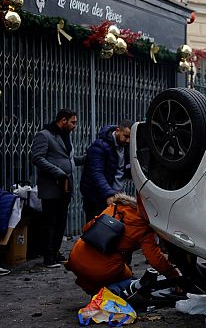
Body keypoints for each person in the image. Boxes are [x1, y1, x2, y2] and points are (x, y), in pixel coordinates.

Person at [65, 193, 180, 296]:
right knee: (129, 280)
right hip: (100, 270)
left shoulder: (116, 207)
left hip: (75, 256)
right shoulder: (145, 228)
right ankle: (110, 291)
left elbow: (87, 228)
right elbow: (156, 259)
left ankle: (93, 287)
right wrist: (174, 277)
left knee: (114, 260)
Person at [31, 108, 81, 268]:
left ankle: (56, 252)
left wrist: (84, 159)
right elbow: (37, 158)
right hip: (51, 186)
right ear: (63, 120)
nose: (75, 126)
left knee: (61, 221)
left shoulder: (66, 136)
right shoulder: (44, 135)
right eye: (73, 122)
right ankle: (48, 257)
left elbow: (67, 158)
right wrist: (58, 172)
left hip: (65, 187)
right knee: (50, 222)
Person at [79, 120, 132, 223]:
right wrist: (108, 194)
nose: (128, 140)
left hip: (116, 197)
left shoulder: (126, 146)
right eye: (126, 136)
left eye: (130, 137)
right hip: (97, 198)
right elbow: (97, 173)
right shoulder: (99, 146)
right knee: (96, 229)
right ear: (118, 130)